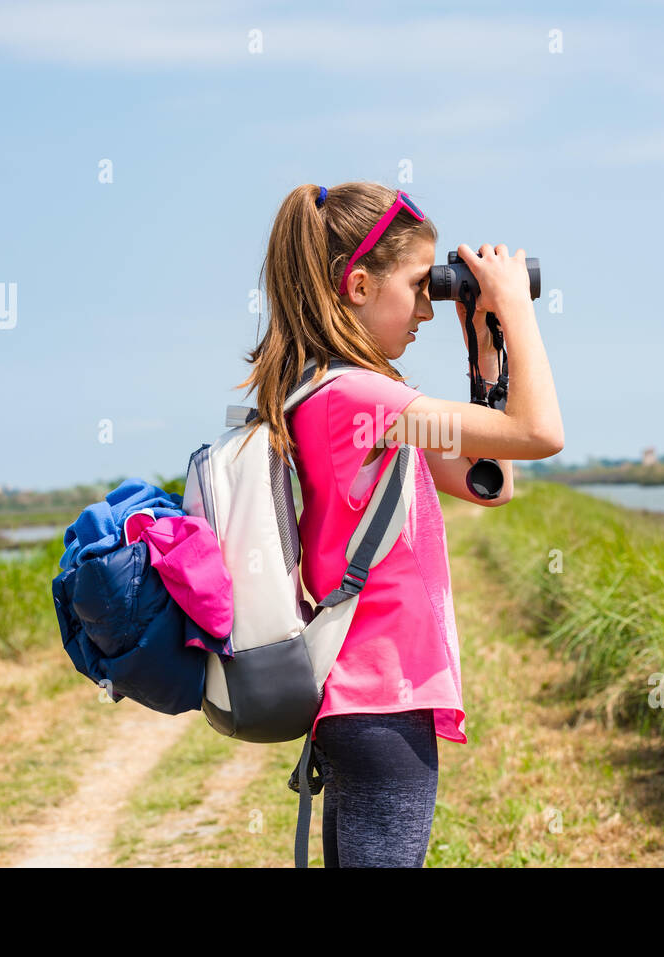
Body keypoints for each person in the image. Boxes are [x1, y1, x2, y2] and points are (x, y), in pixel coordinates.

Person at [235, 181, 563, 867]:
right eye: (420, 286)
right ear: (357, 284)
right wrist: (518, 311)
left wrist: (486, 344)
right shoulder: (361, 396)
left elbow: (489, 479)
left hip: (369, 704)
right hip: (379, 699)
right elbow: (538, 432)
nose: (427, 310)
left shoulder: (344, 394)